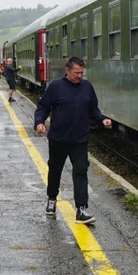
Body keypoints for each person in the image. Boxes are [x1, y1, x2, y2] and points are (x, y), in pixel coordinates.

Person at [34, 57, 112, 225]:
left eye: (81, 73)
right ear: (67, 71)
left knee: (81, 171)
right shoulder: (55, 87)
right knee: (55, 170)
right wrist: (39, 122)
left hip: (79, 139)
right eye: (76, 73)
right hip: (58, 139)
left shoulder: (87, 87)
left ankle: (81, 209)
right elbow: (43, 107)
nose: (79, 76)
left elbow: (93, 109)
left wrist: (101, 120)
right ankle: (52, 199)